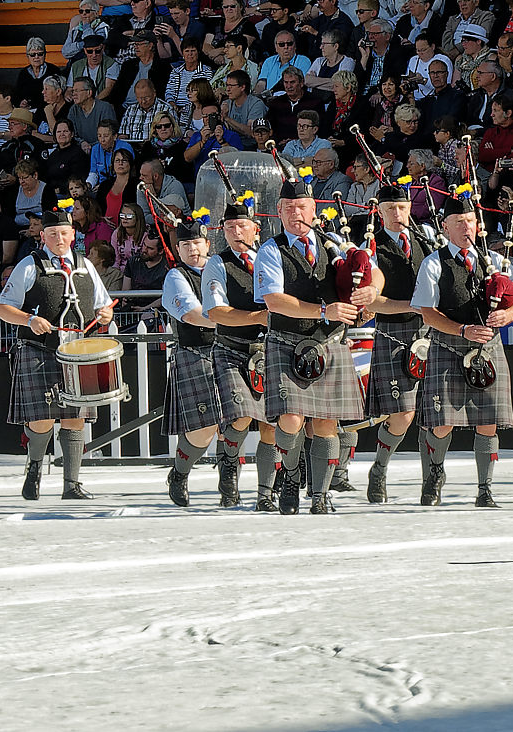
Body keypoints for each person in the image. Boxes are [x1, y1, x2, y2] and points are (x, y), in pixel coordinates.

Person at [254, 175, 377, 515]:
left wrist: (372, 290)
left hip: (329, 343)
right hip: (287, 340)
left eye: (302, 207)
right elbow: (274, 301)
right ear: (279, 211)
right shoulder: (270, 250)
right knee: (291, 419)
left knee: (325, 423)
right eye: (289, 207)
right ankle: (291, 475)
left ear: (314, 209)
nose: (296, 213)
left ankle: (320, 494)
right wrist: (324, 311)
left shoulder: (334, 242)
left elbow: (370, 268)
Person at [411, 193, 513, 507]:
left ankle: (484, 488)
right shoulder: (433, 262)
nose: (466, 227)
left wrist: (509, 315)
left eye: (470, 221)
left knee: (488, 421)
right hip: (449, 346)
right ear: (445, 227)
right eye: (458, 222)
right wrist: (462, 329)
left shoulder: (495, 261)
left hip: (488, 349)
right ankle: (434, 473)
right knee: (442, 423)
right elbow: (427, 313)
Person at [0, 202, 116, 502]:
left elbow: (104, 306)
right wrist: (29, 320)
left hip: (78, 352)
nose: (59, 239)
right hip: (39, 350)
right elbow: (2, 308)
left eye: (64, 233)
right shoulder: (29, 265)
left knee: (75, 418)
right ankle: (35, 468)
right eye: (52, 234)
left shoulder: (85, 266)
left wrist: (105, 315)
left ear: (73, 234)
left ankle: (71, 485)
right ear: (43, 236)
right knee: (42, 419)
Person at [200, 198, 277, 509]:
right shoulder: (217, 264)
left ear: (256, 229)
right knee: (242, 416)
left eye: (242, 226)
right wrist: (257, 318)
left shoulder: (270, 259)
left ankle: (265, 493)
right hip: (232, 348)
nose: (236, 232)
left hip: (270, 349)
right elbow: (215, 311)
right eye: (229, 227)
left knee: (272, 424)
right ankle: (229, 469)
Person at [361, 183, 427, 504]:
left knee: (437, 414)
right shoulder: (372, 248)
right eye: (390, 209)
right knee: (403, 414)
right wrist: (413, 306)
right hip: (393, 333)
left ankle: (432, 479)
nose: (397, 214)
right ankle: (379, 468)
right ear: (380, 212)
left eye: (402, 208)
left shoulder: (427, 240)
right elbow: (372, 302)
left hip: (432, 333)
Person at [160, 221, 226, 507]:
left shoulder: (223, 269)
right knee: (204, 427)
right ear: (178, 249)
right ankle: (180, 472)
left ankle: (229, 485)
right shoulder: (176, 276)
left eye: (197, 243)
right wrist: (233, 322)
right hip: (195, 352)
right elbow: (191, 314)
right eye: (185, 245)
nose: (192, 249)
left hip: (231, 350)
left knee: (234, 423)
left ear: (207, 244)